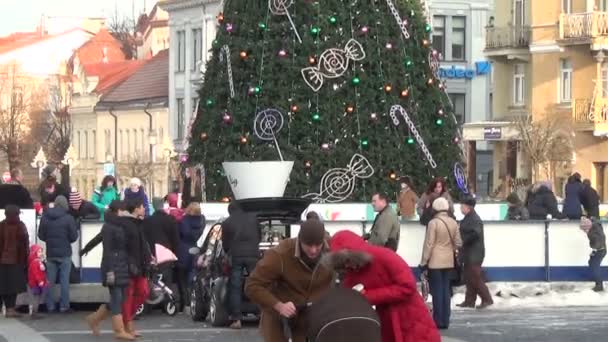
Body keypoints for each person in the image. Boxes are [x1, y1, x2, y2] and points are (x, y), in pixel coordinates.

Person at [328, 230, 440, 342]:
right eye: (343, 263)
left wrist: (368, 297)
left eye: (348, 260)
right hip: (387, 320)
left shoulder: (385, 256)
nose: (347, 266)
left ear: (356, 254)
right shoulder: (353, 270)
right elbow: (347, 295)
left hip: (410, 314)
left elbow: (408, 287)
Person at [245, 220, 333, 342]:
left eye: (318, 245)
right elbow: (252, 286)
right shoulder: (279, 255)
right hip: (281, 322)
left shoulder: (333, 251)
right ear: (300, 240)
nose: (313, 250)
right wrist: (279, 305)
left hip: (315, 320)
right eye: (308, 245)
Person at [85, 200, 134, 340]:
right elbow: (107, 249)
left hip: (123, 264)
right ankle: (118, 330)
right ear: (117, 211)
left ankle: (94, 319)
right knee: (117, 297)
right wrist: (110, 270)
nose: (125, 212)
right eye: (123, 210)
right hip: (112, 265)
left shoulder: (122, 225)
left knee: (120, 298)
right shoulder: (109, 227)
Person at [420, 197, 462, 329]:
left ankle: (438, 321)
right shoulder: (453, 222)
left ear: (435, 208)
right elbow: (459, 243)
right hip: (448, 262)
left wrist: (423, 261)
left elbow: (429, 244)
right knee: (445, 291)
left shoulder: (433, 223)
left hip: (435, 262)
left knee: (437, 291)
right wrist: (449, 249)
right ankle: (446, 320)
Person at [222, 201, 261, 329]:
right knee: (257, 284)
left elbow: (225, 244)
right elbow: (259, 236)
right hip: (253, 255)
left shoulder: (227, 222)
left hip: (236, 256)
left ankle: (237, 319)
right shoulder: (253, 219)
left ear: (230, 211)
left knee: (235, 287)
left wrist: (229, 251)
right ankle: (262, 314)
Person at [38, 195, 78, 313]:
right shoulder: (69, 218)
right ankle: (64, 306)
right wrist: (66, 241)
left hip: (51, 252)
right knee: (64, 280)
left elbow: (41, 235)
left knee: (49, 280)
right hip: (65, 252)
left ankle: (50, 305)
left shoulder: (45, 217)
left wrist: (49, 240)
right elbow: (74, 237)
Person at [119, 198, 152, 337]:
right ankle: (127, 324)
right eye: (142, 206)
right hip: (131, 266)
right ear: (136, 209)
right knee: (129, 296)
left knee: (143, 292)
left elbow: (142, 244)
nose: (144, 208)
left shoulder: (139, 223)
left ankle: (127, 319)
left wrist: (149, 257)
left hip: (141, 264)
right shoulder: (126, 224)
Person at [457, 197, 493, 309]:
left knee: (475, 277)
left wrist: (463, 240)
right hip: (469, 252)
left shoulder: (474, 219)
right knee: (469, 276)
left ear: (468, 207)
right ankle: (469, 300)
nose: (460, 208)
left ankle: (487, 299)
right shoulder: (469, 217)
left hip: (474, 253)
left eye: (462, 206)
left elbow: (475, 234)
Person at [0, 205, 29, 318]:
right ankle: (10, 309)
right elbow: (25, 244)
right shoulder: (21, 226)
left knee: (2, 284)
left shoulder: (1, 226)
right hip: (16, 260)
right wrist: (25, 260)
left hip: (1, 261)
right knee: (12, 287)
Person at [177, 202, 204, 313]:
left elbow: (183, 233)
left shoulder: (184, 220)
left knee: (181, 277)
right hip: (195, 248)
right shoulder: (202, 220)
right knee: (192, 274)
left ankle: (185, 302)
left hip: (183, 249)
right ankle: (194, 298)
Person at [580, 217, 606, 292]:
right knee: (591, 263)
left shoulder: (593, 233)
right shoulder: (596, 226)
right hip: (600, 250)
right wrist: (592, 219)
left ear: (588, 227)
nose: (584, 231)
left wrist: (594, 250)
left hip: (600, 250)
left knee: (594, 266)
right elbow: (596, 221)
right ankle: (597, 280)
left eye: (584, 229)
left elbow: (598, 241)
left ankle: (599, 285)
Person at [28, 244, 48, 319]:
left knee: (37, 297)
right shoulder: (35, 262)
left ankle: (34, 312)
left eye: (41, 251)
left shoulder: (37, 261)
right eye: (39, 252)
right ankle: (34, 312)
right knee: (36, 298)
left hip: (37, 283)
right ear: (34, 252)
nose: (41, 253)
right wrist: (40, 281)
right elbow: (36, 273)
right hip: (36, 284)